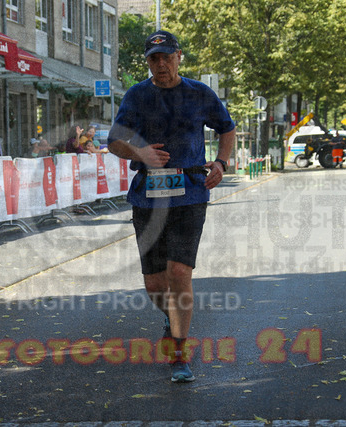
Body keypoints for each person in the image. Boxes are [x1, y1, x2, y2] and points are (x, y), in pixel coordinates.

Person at [107, 30, 235, 383]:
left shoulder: (199, 93)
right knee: (154, 284)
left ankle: (179, 351)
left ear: (179, 57)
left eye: (166, 57)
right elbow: (114, 141)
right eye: (154, 58)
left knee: (179, 272)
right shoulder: (137, 95)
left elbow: (227, 129)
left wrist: (221, 163)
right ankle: (171, 318)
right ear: (148, 62)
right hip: (148, 195)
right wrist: (140, 152)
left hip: (190, 193)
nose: (161, 64)